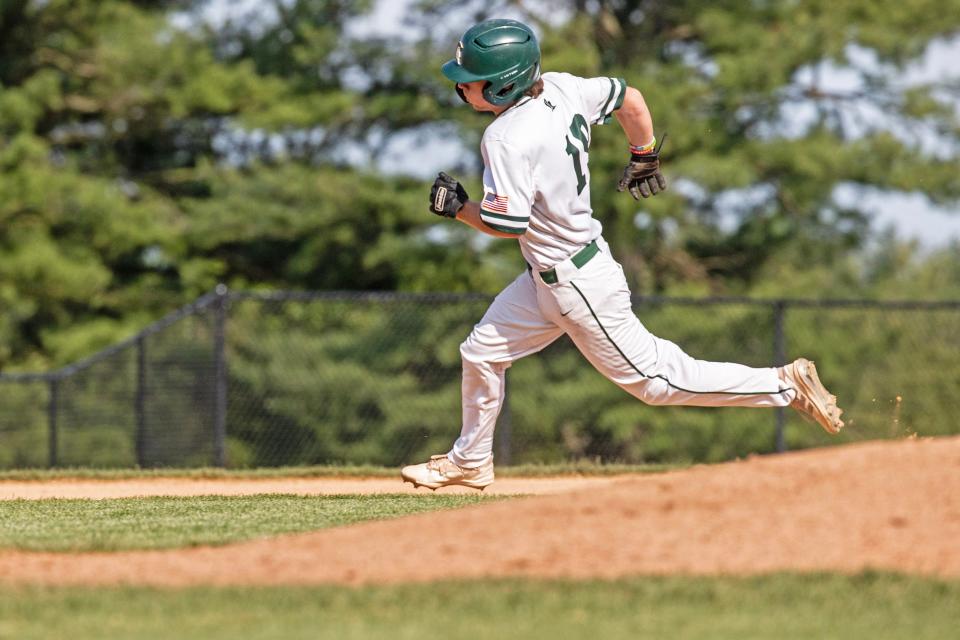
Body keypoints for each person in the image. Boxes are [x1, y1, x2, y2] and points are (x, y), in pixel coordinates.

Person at [401, 18, 844, 490]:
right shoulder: (562, 87)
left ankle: (783, 383)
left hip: (577, 284)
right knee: (482, 353)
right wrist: (644, 154)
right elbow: (629, 98)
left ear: (503, 84)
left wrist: (459, 209)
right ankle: (470, 460)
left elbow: (509, 224)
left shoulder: (505, 137)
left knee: (658, 383)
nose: (461, 86)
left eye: (469, 80)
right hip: (548, 276)